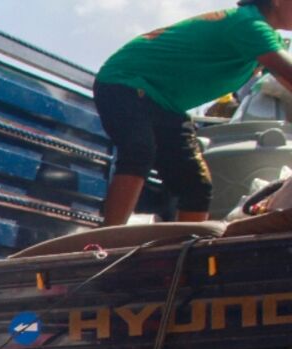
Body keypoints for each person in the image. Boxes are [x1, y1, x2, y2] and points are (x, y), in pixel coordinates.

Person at [96, 0, 292, 225]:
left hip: (164, 102)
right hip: (124, 83)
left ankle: (187, 254)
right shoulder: (250, 25)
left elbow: (282, 83)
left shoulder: (269, 38)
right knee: (139, 152)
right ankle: (107, 240)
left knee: (196, 185)